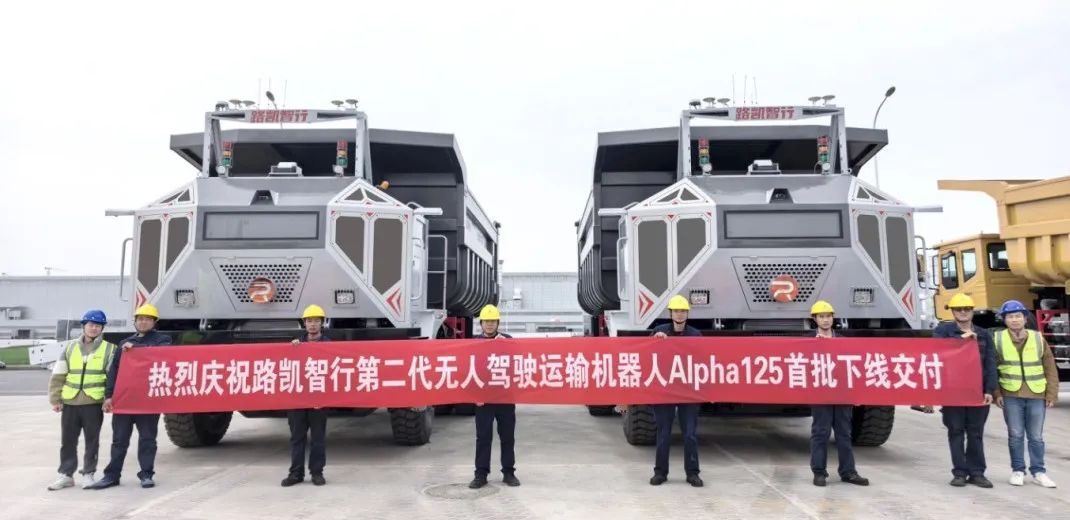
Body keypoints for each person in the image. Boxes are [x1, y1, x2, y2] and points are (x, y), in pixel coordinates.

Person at [89, 304, 173, 490]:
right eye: (139, 319)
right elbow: (115, 371)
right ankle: (111, 476)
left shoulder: (163, 340)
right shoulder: (125, 343)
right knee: (119, 440)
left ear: (154, 322)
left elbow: (161, 356)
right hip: (125, 400)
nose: (143, 322)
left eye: (147, 319)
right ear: (134, 322)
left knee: (147, 439)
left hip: (148, 401)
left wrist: (136, 348)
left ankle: (146, 474)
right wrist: (109, 396)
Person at [927, 293, 997, 488]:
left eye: (967, 309)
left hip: (977, 392)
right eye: (959, 309)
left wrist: (989, 390)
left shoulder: (984, 334)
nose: (963, 312)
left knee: (975, 433)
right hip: (952, 392)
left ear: (972, 311)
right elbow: (936, 355)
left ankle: (977, 473)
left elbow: (990, 363)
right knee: (956, 431)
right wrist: (962, 342)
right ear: (953, 312)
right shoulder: (942, 332)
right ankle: (959, 472)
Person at [47, 309, 118, 491]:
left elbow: (112, 378)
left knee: (92, 441)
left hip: (93, 403)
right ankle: (66, 475)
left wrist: (109, 399)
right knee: (68, 441)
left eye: (98, 326)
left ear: (102, 328)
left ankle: (88, 473)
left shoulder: (110, 349)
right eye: (91, 325)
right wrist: (55, 398)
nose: (94, 328)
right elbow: (58, 374)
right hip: (70, 402)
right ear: (84, 326)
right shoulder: (70, 347)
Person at [993, 300, 1060, 488]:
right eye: (1010, 317)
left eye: (1018, 316)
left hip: (1036, 394)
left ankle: (1039, 471)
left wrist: (1051, 394)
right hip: (1010, 394)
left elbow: (1050, 367)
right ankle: (1018, 470)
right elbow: (992, 369)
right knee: (1015, 435)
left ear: (1024, 318)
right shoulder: (998, 339)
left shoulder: (1038, 338)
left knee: (1036, 436)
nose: (1014, 320)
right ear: (1004, 319)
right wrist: (997, 393)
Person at [807, 300, 869, 487]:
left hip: (842, 394)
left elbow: (852, 368)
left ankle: (848, 472)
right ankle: (819, 472)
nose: (825, 320)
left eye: (828, 316)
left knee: (844, 433)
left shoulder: (843, 341)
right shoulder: (808, 342)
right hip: (821, 394)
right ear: (815, 319)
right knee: (821, 432)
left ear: (833, 318)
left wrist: (856, 394)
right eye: (821, 317)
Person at [648, 295, 703, 487]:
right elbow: (647, 354)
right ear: (670, 313)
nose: (679, 314)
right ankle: (660, 472)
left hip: (688, 390)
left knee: (690, 434)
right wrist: (655, 341)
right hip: (665, 389)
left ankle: (693, 473)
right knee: (663, 433)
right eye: (676, 311)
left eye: (683, 311)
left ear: (687, 314)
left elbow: (703, 360)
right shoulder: (659, 332)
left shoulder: (696, 335)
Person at [469, 304, 519, 489]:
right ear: (481, 323)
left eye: (493, 321)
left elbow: (516, 365)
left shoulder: (507, 341)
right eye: (486, 321)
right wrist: (474, 395)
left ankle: (508, 473)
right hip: (483, 401)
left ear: (498, 323)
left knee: (507, 437)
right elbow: (468, 370)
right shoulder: (473, 343)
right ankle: (481, 474)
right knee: (483, 438)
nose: (489, 324)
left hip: (505, 398)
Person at [282, 304, 332, 487]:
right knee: (297, 438)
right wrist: (292, 348)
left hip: (319, 400)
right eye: (309, 321)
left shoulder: (330, 346)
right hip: (297, 400)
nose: (312, 324)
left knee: (318, 439)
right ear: (304, 323)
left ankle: (317, 473)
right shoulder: (296, 344)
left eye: (316, 321)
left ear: (322, 323)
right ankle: (296, 473)